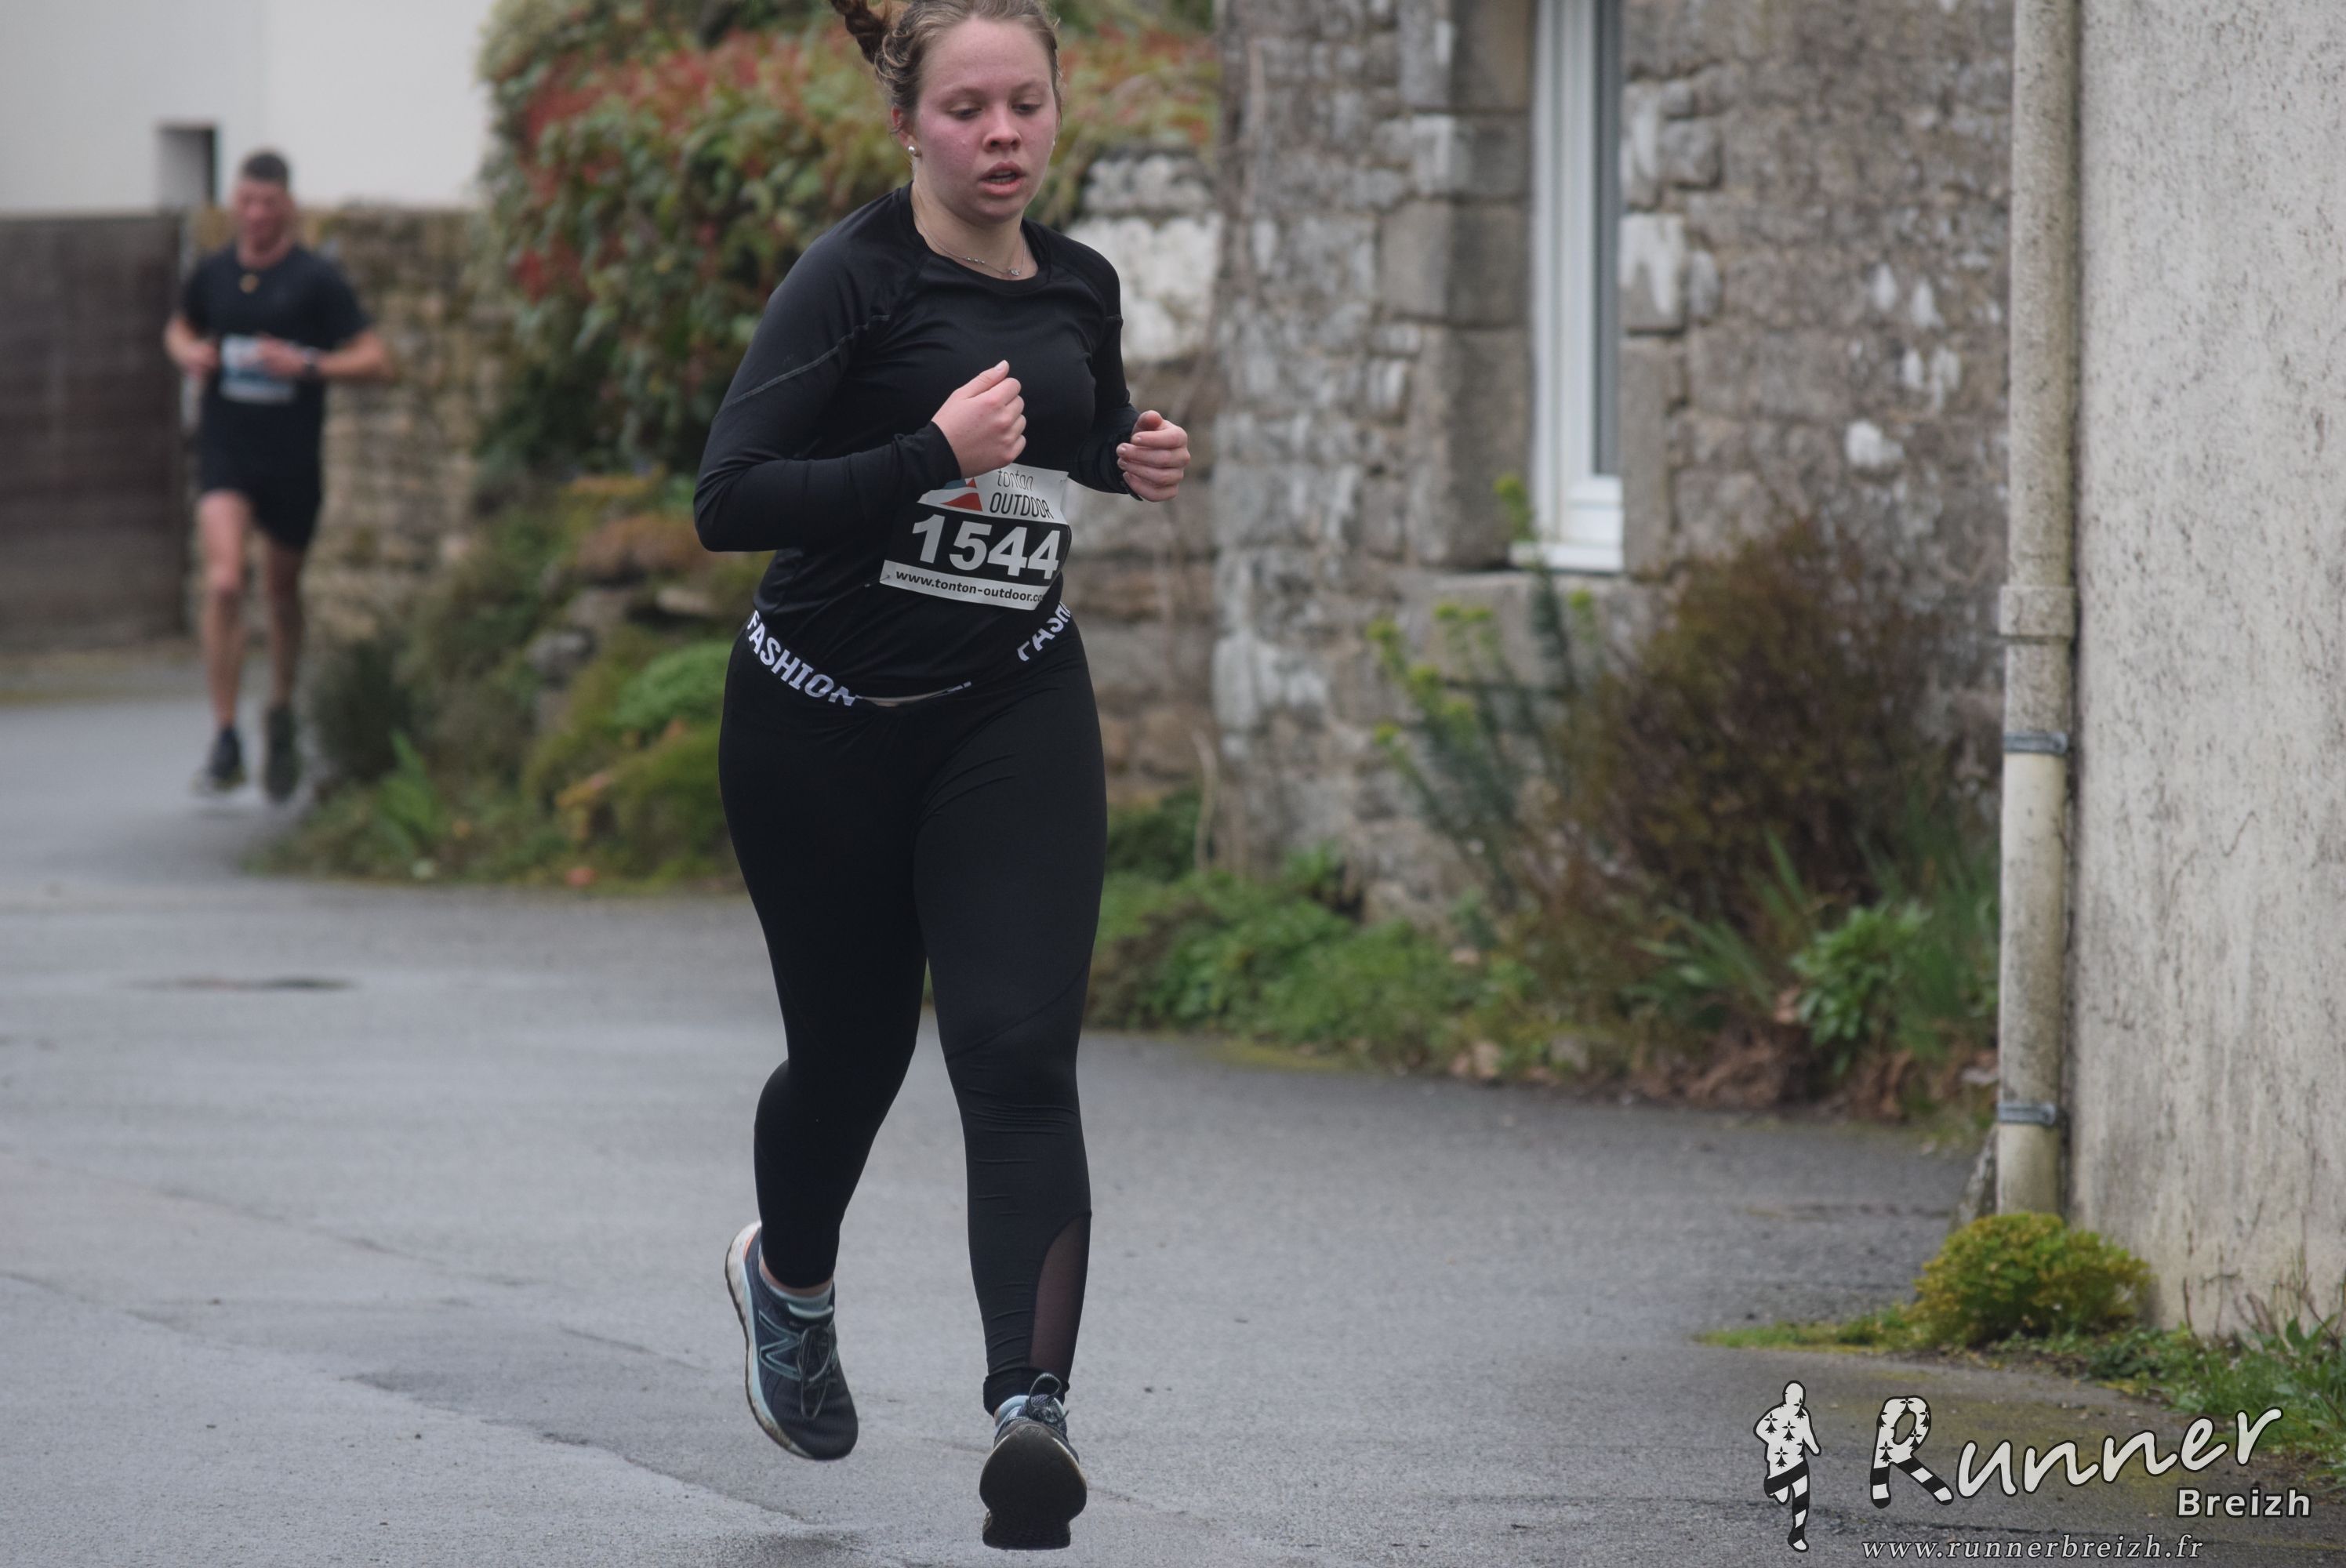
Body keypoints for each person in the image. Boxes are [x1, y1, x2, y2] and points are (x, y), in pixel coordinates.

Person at [695, 0, 1191, 1549]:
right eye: (967, 108)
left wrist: (1123, 454)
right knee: (851, 1058)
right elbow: (730, 497)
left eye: (1023, 104)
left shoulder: (1079, 284)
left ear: (1055, 111)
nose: (999, 134)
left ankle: (1029, 1411)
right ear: (907, 123)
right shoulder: (851, 281)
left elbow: (1069, 425)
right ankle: (788, 1279)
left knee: (1016, 1052)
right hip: (818, 725)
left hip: (1008, 706)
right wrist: (927, 452)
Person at [164, 150, 390, 800]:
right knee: (225, 581)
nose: (256, 215)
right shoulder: (213, 274)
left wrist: (309, 366)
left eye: (268, 203)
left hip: (290, 458)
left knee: (281, 594)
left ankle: (282, 709)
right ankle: (225, 734)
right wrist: (190, 354)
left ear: (287, 206)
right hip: (226, 451)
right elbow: (179, 327)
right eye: (246, 203)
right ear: (234, 205)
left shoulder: (314, 279)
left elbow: (377, 359)